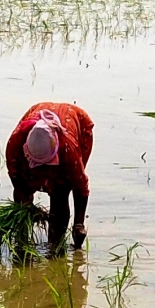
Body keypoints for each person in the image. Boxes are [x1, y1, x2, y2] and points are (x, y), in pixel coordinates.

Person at [6, 102, 94, 248]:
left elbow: (80, 186)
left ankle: (55, 246)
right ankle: (21, 243)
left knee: (61, 191)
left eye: (46, 165)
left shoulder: (68, 150)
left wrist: (79, 224)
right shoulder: (16, 142)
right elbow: (16, 177)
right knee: (23, 191)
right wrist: (27, 205)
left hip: (76, 120)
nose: (43, 171)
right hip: (38, 110)